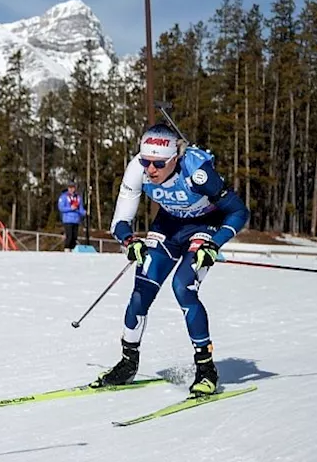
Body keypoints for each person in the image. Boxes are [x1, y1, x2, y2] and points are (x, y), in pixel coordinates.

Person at [93, 123, 250, 397]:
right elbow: (120, 221)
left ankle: (205, 369)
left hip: (205, 225)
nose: (150, 169)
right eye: (146, 161)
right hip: (168, 226)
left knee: (183, 286)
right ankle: (128, 362)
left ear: (174, 159)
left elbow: (238, 211)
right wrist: (129, 241)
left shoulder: (197, 173)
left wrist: (214, 244)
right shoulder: (137, 170)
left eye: (158, 163)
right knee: (142, 288)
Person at [56, 182, 86, 251]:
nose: (71, 189)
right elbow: (61, 208)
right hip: (68, 220)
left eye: (73, 187)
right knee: (69, 236)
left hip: (76, 220)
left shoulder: (78, 197)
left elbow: (80, 208)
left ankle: (73, 250)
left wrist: (84, 213)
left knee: (74, 237)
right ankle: (67, 249)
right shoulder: (63, 197)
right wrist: (70, 208)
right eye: (70, 188)